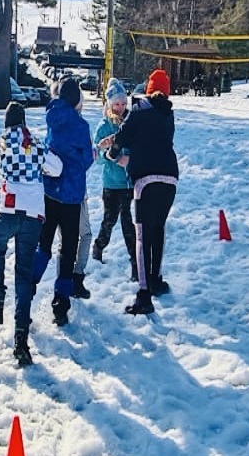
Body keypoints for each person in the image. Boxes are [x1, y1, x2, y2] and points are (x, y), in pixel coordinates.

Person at [0, 102, 62, 367]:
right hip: (32, 215)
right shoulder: (35, 144)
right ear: (24, 120)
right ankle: (20, 337)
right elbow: (57, 168)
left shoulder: (2, 143)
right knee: (24, 274)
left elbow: (3, 167)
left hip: (8, 211)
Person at [109, 68, 179, 316]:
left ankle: (143, 293)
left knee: (142, 236)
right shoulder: (168, 114)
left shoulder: (139, 109)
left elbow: (123, 137)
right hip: (170, 177)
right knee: (158, 229)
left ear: (148, 90)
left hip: (145, 180)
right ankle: (156, 279)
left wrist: (112, 152)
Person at [37, 76, 95, 327]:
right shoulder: (81, 126)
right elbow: (86, 160)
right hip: (71, 195)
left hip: (50, 192)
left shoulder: (51, 117)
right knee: (68, 247)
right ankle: (60, 303)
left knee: (44, 243)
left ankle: (28, 286)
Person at [92, 79, 137, 282]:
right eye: (116, 104)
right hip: (111, 183)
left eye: (123, 103)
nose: (120, 108)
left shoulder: (131, 122)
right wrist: (112, 156)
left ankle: (135, 261)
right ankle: (98, 246)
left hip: (128, 183)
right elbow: (97, 156)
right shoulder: (104, 126)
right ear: (109, 104)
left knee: (128, 223)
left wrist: (131, 159)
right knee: (109, 221)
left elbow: (137, 147)